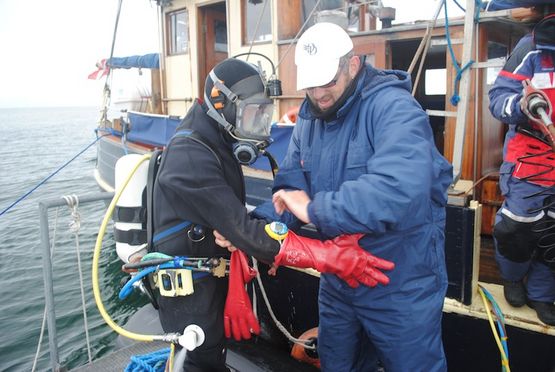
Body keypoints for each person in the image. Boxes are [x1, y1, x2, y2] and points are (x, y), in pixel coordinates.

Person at [151, 57, 395, 371]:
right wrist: (328, 256)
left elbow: (232, 222)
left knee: (212, 355)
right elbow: (246, 232)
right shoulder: (190, 155)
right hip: (189, 289)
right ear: (222, 106)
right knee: (200, 359)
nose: (258, 129)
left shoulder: (213, 139)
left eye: (263, 116)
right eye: (252, 116)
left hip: (208, 275)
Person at [252, 22, 453, 371]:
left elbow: (399, 187)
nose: (319, 94)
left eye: (327, 81)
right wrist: (254, 227)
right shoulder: (310, 116)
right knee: (338, 364)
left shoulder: (395, 108)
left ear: (353, 64)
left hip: (400, 284)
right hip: (338, 282)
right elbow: (288, 184)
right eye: (311, 84)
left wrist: (314, 210)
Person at [488, 13, 555, 326]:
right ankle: (513, 278)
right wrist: (521, 106)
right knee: (517, 228)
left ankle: (542, 293)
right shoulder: (531, 47)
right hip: (528, 162)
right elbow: (497, 97)